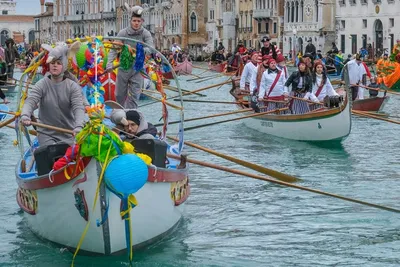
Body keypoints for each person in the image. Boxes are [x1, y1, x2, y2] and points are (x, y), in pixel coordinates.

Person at [20, 44, 85, 146]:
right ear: (49, 65)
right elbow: (31, 101)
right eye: (53, 63)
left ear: (63, 65)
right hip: (46, 134)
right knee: (50, 151)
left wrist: (79, 126)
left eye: (58, 63)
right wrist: (25, 115)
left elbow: (78, 108)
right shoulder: (41, 84)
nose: (55, 65)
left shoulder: (73, 86)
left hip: (68, 134)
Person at [106, 4, 154, 109]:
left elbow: (150, 48)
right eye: (134, 21)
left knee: (134, 96)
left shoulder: (146, 34)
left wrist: (139, 50)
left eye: (138, 21)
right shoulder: (123, 33)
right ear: (130, 21)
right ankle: (120, 115)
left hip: (138, 69)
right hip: (123, 67)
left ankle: (131, 118)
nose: (136, 23)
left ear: (142, 21)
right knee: (119, 95)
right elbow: (113, 50)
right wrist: (109, 64)